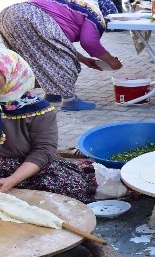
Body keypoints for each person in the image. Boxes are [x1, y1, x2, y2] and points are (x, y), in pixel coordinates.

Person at [0, 49, 96, 204]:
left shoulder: (38, 109)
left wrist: (12, 180)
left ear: (12, 74)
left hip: (27, 167)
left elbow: (43, 151)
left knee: (71, 187)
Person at [0, 0, 123, 111]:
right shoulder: (95, 11)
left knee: (35, 58)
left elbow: (59, 44)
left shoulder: (72, 2)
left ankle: (52, 93)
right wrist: (111, 61)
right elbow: (89, 42)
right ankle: (69, 100)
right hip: (30, 16)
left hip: (8, 15)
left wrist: (84, 60)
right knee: (66, 62)